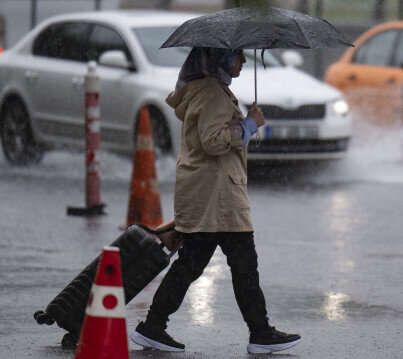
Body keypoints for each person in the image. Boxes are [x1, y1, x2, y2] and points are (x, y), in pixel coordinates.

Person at [129, 47, 301, 354]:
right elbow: (213, 140)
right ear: (219, 57)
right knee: (243, 264)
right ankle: (259, 333)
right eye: (238, 55)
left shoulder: (207, 89)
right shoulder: (212, 94)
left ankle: (153, 326)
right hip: (218, 196)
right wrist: (249, 124)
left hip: (209, 193)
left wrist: (246, 124)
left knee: (193, 265)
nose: (244, 61)